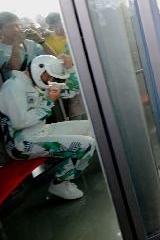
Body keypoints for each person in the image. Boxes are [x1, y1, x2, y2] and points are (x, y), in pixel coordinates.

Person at [0, 55, 94, 200]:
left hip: (40, 131)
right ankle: (60, 184)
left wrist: (70, 68)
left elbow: (71, 90)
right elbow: (19, 122)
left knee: (91, 128)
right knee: (87, 144)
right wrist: (48, 102)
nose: (51, 81)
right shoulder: (13, 86)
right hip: (22, 144)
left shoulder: (38, 83)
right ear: (40, 71)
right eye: (50, 76)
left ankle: (68, 172)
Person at [0, 12, 56, 80]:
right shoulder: (1, 50)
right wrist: (16, 44)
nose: (16, 29)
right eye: (10, 27)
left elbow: (54, 59)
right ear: (1, 30)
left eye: (18, 25)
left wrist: (41, 41)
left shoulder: (30, 43)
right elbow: (15, 68)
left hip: (38, 85)